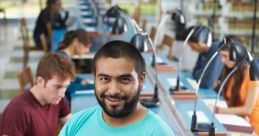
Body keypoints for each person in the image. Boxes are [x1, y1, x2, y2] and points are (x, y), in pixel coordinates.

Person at [59, 40, 174, 136]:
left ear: (141, 80)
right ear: (94, 78)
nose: (113, 90)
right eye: (104, 79)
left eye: (124, 79)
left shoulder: (158, 133)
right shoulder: (75, 124)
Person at [0, 53, 76, 136]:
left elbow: (73, 125)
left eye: (66, 87)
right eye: (57, 87)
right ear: (40, 81)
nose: (62, 94)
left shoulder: (57, 99)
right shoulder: (18, 110)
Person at [208, 35, 259, 135]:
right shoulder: (232, 71)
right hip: (238, 120)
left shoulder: (252, 73)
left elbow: (247, 110)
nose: (223, 60)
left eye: (226, 56)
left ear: (238, 54)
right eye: (221, 56)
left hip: (252, 127)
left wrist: (218, 110)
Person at [56, 28, 92, 106]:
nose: (87, 50)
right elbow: (69, 88)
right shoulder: (62, 60)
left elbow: (69, 77)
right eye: (86, 46)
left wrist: (80, 80)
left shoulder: (63, 56)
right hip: (61, 104)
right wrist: (94, 87)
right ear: (75, 42)